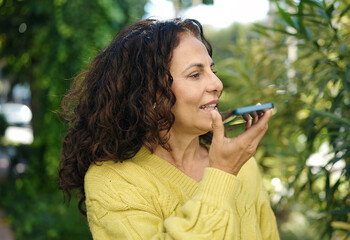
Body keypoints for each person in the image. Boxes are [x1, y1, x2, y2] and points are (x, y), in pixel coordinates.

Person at [58, 18, 279, 239]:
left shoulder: (244, 166)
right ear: (148, 93)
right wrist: (222, 174)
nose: (217, 84)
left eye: (213, 70)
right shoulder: (113, 182)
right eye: (195, 74)